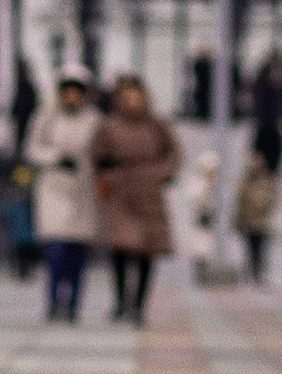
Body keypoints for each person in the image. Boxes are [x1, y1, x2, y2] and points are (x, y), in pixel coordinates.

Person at [92, 74, 179, 324]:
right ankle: (121, 302)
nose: (132, 102)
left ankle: (139, 305)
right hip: (121, 194)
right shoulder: (110, 126)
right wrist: (109, 178)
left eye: (136, 97)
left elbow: (173, 155)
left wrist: (160, 174)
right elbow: (97, 157)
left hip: (149, 195)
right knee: (121, 247)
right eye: (127, 97)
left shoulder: (156, 125)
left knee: (146, 252)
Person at [29, 72, 102, 322]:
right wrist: (56, 158)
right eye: (67, 91)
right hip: (53, 188)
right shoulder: (46, 117)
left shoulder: (94, 120)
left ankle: (72, 305)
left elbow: (102, 151)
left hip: (83, 190)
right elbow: (32, 149)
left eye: (76, 91)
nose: (71, 96)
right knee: (55, 250)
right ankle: (53, 301)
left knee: (77, 253)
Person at [233, 150, 280, 283]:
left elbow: (272, 197)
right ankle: (250, 271)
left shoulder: (267, 180)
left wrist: (262, 203)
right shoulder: (245, 181)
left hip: (261, 221)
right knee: (249, 248)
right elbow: (239, 201)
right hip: (248, 220)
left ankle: (258, 272)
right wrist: (237, 219)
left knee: (260, 248)